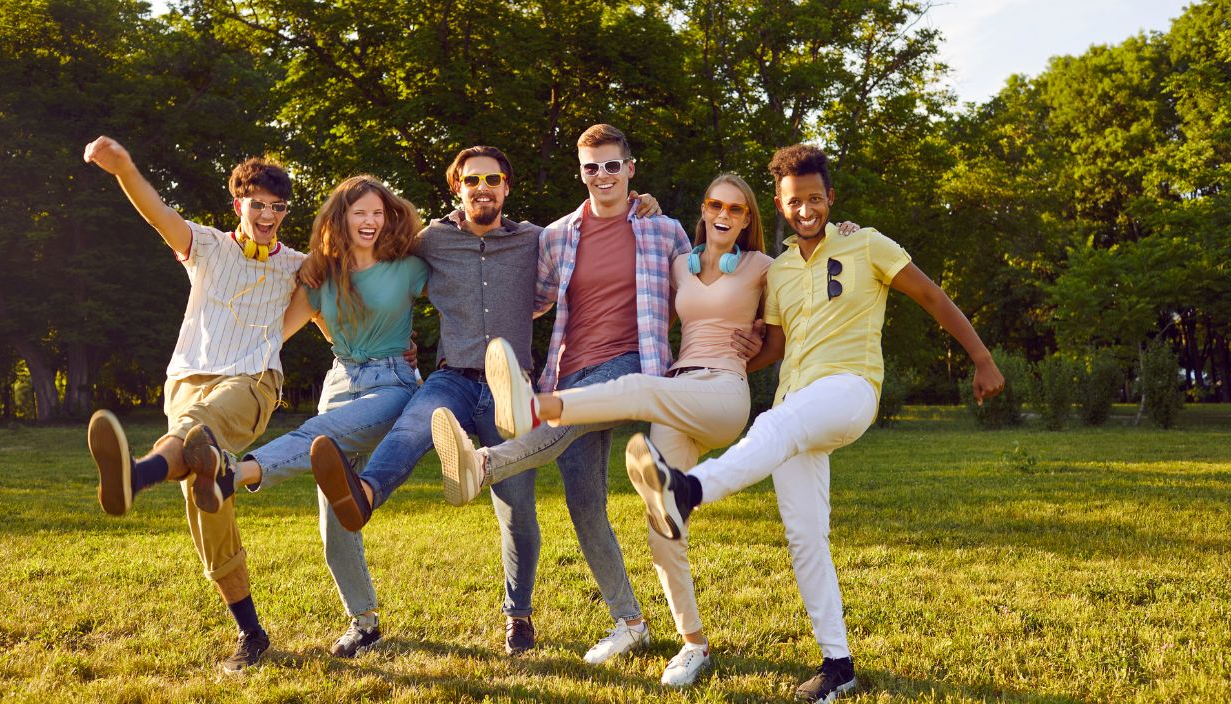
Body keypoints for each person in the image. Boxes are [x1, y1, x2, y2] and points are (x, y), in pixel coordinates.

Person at [625, 143, 1006, 702]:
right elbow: (773, 346)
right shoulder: (777, 272)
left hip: (849, 390)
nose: (805, 209)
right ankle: (837, 663)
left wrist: (982, 357)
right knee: (805, 535)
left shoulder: (865, 243)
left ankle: (687, 491)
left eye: (814, 198)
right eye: (793, 201)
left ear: (830, 198)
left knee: (772, 429)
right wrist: (729, 360)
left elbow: (929, 294)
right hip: (795, 397)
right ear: (779, 207)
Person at [442, 174, 857, 685]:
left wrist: (843, 233)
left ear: (749, 218)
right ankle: (693, 643)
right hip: (677, 390)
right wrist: (641, 198)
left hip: (722, 393)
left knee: (639, 386)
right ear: (703, 211)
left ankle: (532, 408)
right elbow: (625, 261)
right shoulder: (678, 264)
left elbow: (809, 278)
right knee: (662, 527)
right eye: (713, 204)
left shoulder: (763, 266)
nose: (723, 213)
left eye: (736, 208)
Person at [310, 145, 661, 658]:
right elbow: (373, 261)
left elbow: (592, 233)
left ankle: (518, 618)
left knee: (517, 508)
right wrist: (327, 287)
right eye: (472, 180)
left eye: (492, 179)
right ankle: (364, 494)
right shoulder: (431, 240)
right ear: (459, 189)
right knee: (414, 426)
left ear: (506, 187)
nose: (483, 188)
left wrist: (638, 203)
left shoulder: (536, 240)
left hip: (512, 388)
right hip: (452, 377)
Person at [430, 124, 692, 665]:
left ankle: (482, 463)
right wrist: (463, 237)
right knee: (585, 505)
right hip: (569, 371)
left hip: (631, 365)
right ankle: (630, 622)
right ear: (581, 172)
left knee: (555, 426)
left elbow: (698, 289)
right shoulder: (559, 235)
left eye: (611, 165)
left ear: (630, 169)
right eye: (591, 167)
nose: (602, 176)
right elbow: (531, 299)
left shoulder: (663, 230)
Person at [82, 135, 304, 672]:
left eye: (278, 208)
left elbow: (340, 294)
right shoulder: (205, 245)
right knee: (207, 498)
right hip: (186, 378)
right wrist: (124, 168)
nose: (268, 215)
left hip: (251, 382)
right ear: (238, 205)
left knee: (199, 428)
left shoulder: (298, 264)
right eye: (258, 205)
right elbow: (158, 213)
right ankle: (251, 633)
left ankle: (137, 476)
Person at [221, 175, 426, 658]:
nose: (370, 222)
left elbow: (464, 286)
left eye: (378, 212)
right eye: (360, 213)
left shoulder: (410, 266)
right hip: (340, 383)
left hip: (394, 384)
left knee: (319, 440)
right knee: (336, 519)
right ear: (341, 218)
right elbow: (271, 334)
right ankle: (364, 623)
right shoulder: (320, 275)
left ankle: (233, 474)